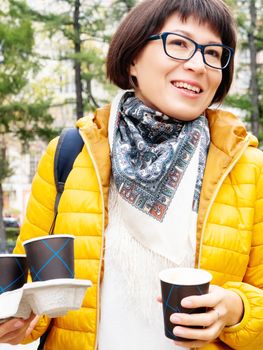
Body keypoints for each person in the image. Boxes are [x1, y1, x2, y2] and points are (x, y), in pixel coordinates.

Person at [0, 0, 263, 349]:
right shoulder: (71, 153)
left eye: (214, 53)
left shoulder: (247, 168)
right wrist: (16, 320)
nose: (199, 64)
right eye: (179, 43)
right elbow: (33, 287)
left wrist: (237, 310)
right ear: (133, 58)